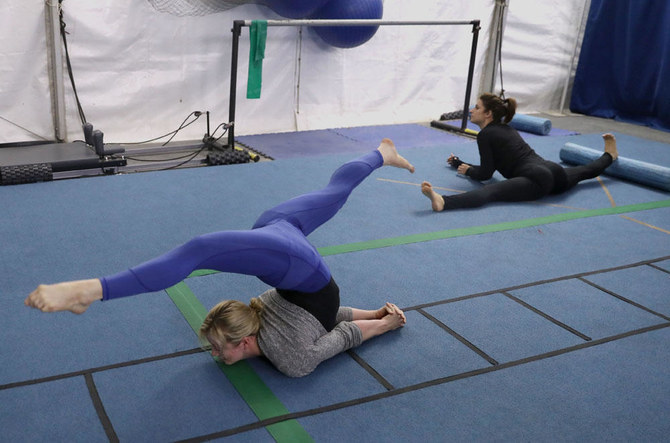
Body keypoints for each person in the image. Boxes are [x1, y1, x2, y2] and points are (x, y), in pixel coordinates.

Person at [25, 139, 414, 377]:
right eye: (216, 347)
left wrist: (378, 321)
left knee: (203, 248)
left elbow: (331, 323)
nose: (214, 351)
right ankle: (381, 152)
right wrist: (382, 320)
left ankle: (383, 152)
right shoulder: (286, 349)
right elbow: (335, 326)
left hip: (287, 254)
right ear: (244, 341)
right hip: (296, 265)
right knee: (203, 249)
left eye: (215, 346)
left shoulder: (281, 345)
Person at [421, 93, 618, 211]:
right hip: (553, 170)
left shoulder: (485, 135)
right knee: (584, 171)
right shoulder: (507, 129)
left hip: (536, 180)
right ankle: (610, 155)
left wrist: (469, 170)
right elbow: (494, 164)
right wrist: (460, 163)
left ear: (488, 114)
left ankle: (443, 202)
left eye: (477, 107)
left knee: (490, 192)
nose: (472, 110)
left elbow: (486, 174)